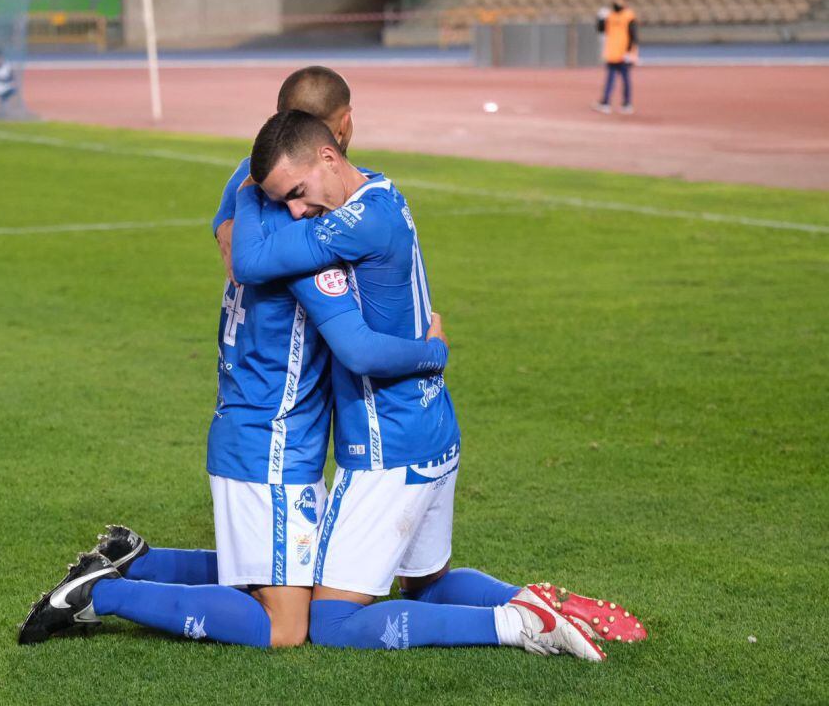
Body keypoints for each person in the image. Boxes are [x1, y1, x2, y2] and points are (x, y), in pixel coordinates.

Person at [18, 68, 450, 648]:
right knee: (287, 626)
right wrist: (432, 352)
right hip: (273, 432)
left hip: (260, 417)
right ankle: (99, 595)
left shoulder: (249, 190)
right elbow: (352, 343)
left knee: (297, 573)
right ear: (338, 133)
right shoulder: (299, 230)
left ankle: (139, 559)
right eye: (290, 196)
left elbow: (236, 234)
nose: (299, 207)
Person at [230, 110, 646, 657]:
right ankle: (537, 602)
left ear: (329, 156)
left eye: (299, 191)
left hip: (388, 446)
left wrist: (244, 189)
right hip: (434, 430)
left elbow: (249, 259)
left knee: (329, 622)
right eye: (282, 198)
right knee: (427, 585)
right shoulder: (381, 193)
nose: (296, 209)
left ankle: (518, 626)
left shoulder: (349, 226)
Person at [594, 0, 638, 115]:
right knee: (609, 80)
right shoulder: (610, 16)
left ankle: (627, 103)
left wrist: (629, 52)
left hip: (624, 54)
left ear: (625, 2)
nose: (617, 3)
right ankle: (606, 102)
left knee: (625, 80)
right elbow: (601, 29)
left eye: (620, 1)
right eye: (616, 1)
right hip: (612, 54)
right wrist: (600, 18)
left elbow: (633, 35)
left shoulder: (629, 16)